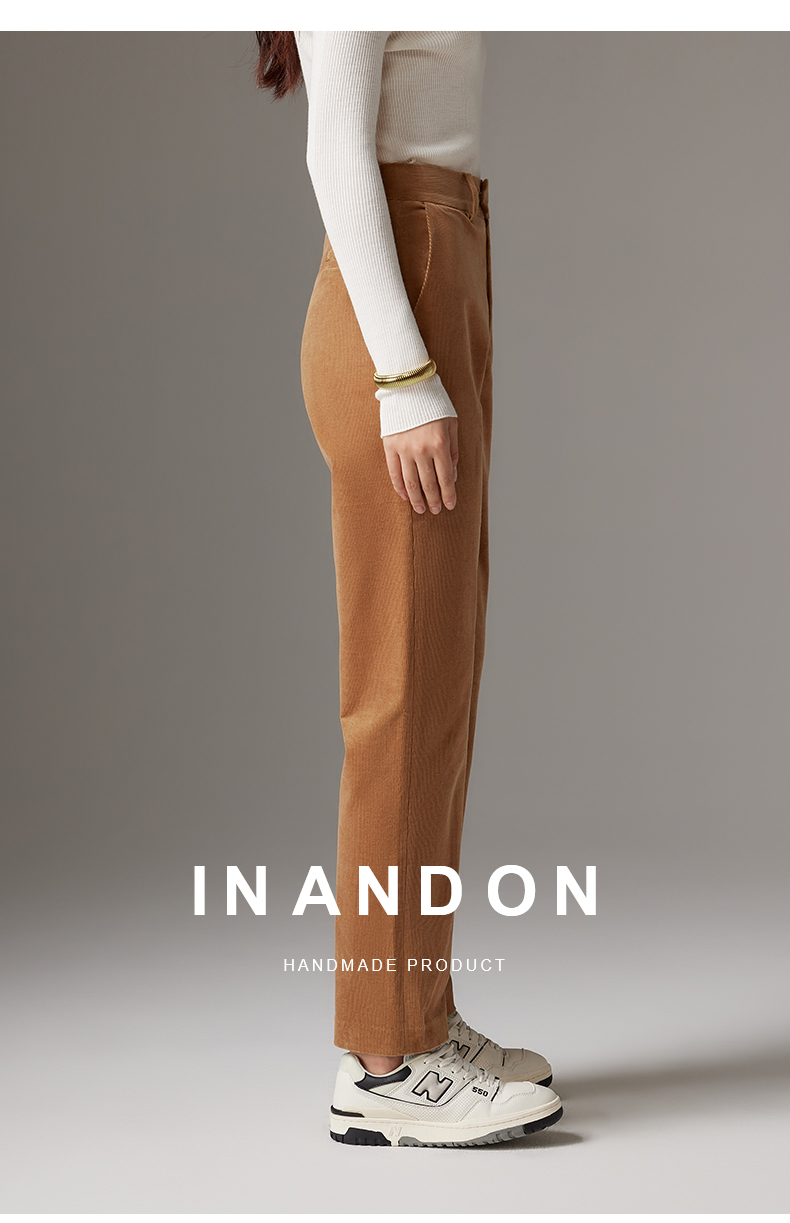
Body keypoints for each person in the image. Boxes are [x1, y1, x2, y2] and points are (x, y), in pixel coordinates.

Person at [255, 30, 563, 1148]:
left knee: (436, 693)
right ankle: (383, 1060)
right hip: (401, 293)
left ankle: (419, 1017)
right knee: (397, 702)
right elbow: (335, 153)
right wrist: (403, 373)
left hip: (446, 252)